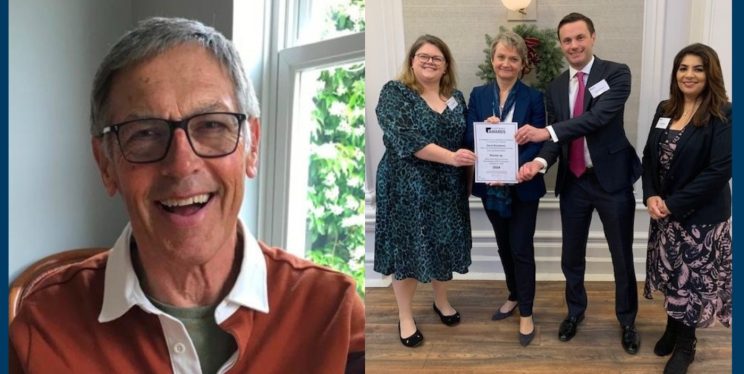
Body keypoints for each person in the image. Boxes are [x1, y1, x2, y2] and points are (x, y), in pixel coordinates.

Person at [9, 17, 365, 374]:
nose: (181, 165)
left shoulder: (335, 315)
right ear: (105, 163)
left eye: (212, 125)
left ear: (251, 145)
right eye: (144, 133)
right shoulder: (43, 327)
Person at [515, 12, 642, 354]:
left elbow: (598, 118)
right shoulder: (555, 86)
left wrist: (547, 131)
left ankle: (628, 321)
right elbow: (556, 139)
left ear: (593, 37)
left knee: (621, 256)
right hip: (574, 184)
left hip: (612, 181)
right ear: (561, 45)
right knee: (571, 256)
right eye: (567, 40)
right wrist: (538, 162)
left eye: (579, 37)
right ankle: (575, 312)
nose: (573, 45)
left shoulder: (616, 73)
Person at [374, 34, 475, 348]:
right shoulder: (396, 92)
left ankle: (441, 301)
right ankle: (405, 315)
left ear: (446, 66)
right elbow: (403, 137)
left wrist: (491, 127)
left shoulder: (455, 96)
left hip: (447, 186)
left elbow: (468, 135)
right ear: (412, 60)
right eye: (423, 56)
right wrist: (450, 157)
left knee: (443, 244)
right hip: (406, 186)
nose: (430, 61)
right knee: (408, 248)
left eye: (437, 58)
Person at [641, 43, 731, 374]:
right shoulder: (666, 108)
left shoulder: (724, 112)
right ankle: (672, 326)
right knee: (671, 274)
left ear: (710, 74)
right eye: (683, 68)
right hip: (664, 214)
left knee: (691, 282)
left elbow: (719, 170)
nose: (688, 74)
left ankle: (686, 344)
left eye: (697, 68)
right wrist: (650, 195)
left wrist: (671, 204)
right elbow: (649, 157)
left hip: (701, 220)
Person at [464, 31, 545, 347]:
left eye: (513, 58)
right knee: (503, 245)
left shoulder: (534, 98)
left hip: (522, 185)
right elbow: (468, 137)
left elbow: (539, 139)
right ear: (492, 60)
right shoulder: (478, 95)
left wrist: (512, 171)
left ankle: (526, 311)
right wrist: (486, 130)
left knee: (521, 249)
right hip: (490, 185)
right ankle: (513, 293)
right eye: (501, 57)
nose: (506, 63)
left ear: (523, 64)